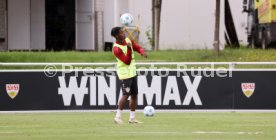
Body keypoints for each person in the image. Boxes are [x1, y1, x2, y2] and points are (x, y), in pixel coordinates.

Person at [111, 26, 148, 124]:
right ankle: (117, 117)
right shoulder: (116, 49)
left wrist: (142, 52)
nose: (124, 33)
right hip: (125, 74)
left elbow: (137, 47)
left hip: (132, 72)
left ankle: (132, 118)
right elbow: (127, 61)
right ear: (116, 36)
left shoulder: (128, 40)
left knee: (134, 95)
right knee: (126, 94)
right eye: (121, 32)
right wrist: (128, 49)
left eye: (123, 31)